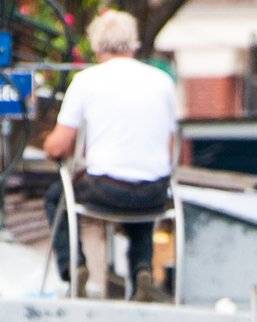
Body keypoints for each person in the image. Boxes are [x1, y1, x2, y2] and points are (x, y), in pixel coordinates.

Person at [41, 9, 178, 301]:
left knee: (56, 197)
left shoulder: (87, 81)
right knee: (143, 185)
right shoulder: (162, 82)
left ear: (96, 44)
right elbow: (168, 146)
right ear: (134, 44)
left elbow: (58, 146)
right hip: (153, 192)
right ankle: (143, 272)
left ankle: (74, 268)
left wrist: (49, 144)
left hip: (105, 190)